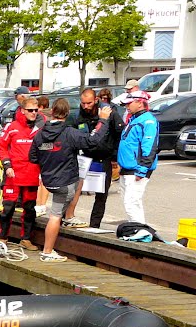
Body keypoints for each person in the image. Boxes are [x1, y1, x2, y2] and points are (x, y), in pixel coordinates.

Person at [29, 98, 110, 262]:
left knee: (74, 187)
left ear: (52, 111)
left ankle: (68, 217)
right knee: (55, 215)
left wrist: (50, 156)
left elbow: (33, 157)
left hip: (49, 180)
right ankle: (47, 251)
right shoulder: (69, 133)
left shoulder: (40, 134)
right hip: (64, 182)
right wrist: (103, 120)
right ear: (67, 114)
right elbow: (92, 140)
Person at [63, 88, 124, 229]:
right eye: (83, 103)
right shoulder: (78, 115)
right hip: (84, 157)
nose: (86, 106)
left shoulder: (109, 113)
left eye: (89, 103)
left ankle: (94, 225)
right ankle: (67, 217)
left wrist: (115, 156)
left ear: (96, 100)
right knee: (73, 190)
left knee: (101, 195)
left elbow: (120, 134)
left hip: (104, 158)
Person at [0, 97, 42, 250]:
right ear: (22, 110)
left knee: (30, 209)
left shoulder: (40, 128)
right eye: (30, 110)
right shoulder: (12, 127)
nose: (33, 113)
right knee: (8, 208)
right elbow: (1, 147)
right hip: (13, 174)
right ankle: (3, 237)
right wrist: (7, 165)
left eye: (36, 110)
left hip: (32, 174)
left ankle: (26, 239)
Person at [116, 90, 159, 224]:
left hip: (136, 169)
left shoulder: (148, 121)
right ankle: (138, 228)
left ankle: (140, 231)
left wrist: (142, 169)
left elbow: (150, 146)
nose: (127, 107)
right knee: (129, 202)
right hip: (128, 168)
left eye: (129, 103)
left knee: (131, 202)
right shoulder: (135, 119)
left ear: (140, 103)